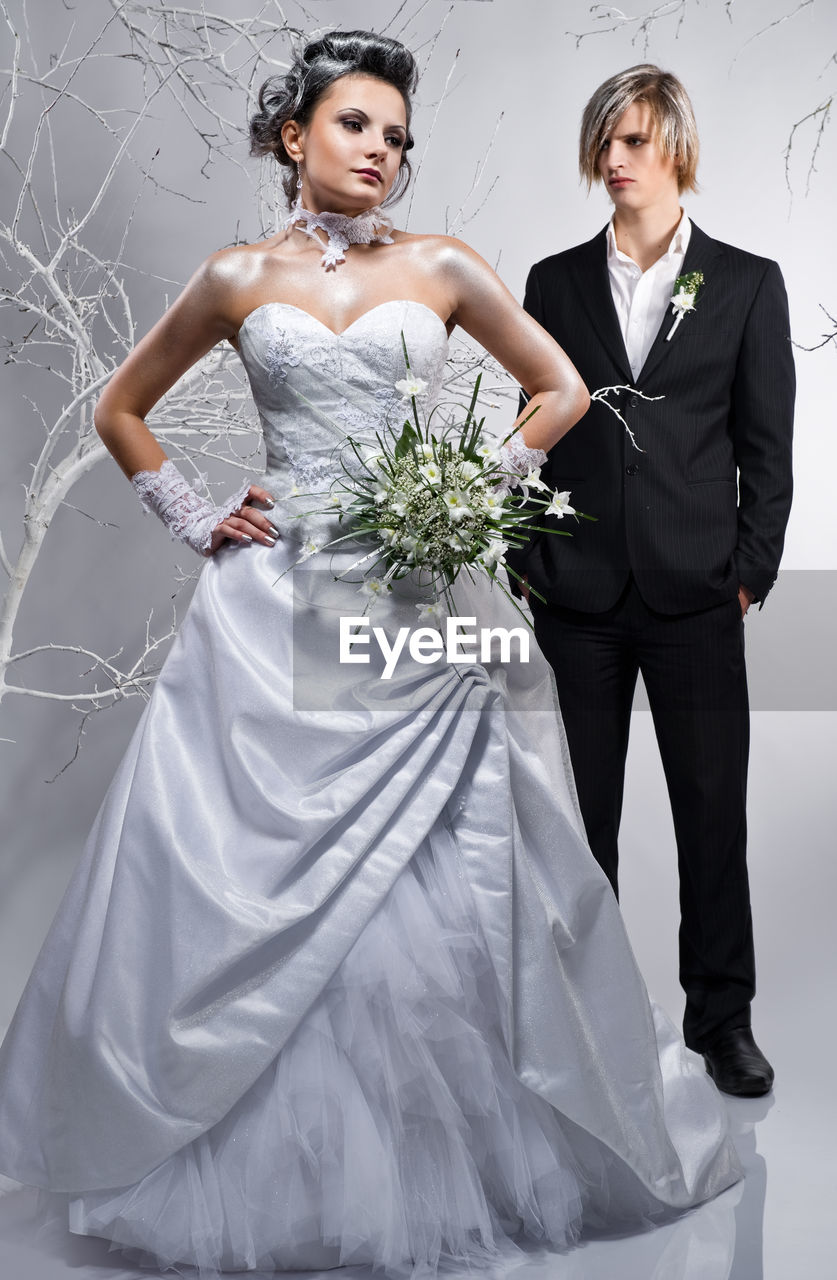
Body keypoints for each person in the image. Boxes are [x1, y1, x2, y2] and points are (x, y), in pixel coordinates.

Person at [0, 34, 740, 1276]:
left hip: (412, 598)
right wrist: (193, 514)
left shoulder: (443, 263)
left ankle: (458, 1140)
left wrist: (467, 489)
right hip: (275, 606)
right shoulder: (234, 277)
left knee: (456, 868)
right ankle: (256, 1155)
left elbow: (556, 391)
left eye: (396, 136)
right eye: (356, 125)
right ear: (295, 135)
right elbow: (120, 408)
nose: (381, 152)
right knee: (252, 863)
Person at [511, 65, 794, 1099]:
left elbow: (768, 451)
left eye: (634, 140)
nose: (615, 160)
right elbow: (528, 437)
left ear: (675, 146)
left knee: (711, 815)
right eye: (605, 142)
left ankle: (722, 1021)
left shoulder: (747, 282)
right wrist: (523, 559)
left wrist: (748, 576)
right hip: (576, 598)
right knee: (576, 823)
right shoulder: (552, 283)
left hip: (695, 598)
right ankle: (586, 1021)